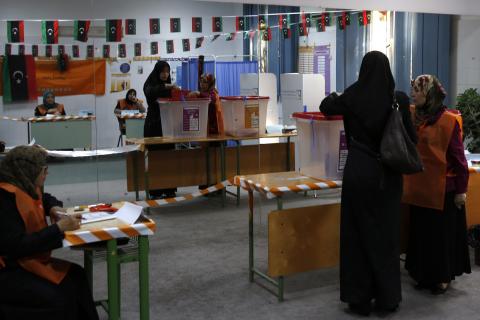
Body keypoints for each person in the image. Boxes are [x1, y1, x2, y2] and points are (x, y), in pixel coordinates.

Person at [319, 51, 417, 316]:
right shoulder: (398, 100)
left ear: (363, 71)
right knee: (386, 237)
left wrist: (336, 95)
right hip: (388, 175)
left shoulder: (352, 97)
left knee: (356, 236)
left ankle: (358, 299)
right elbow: (411, 139)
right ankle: (388, 299)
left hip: (359, 171)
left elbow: (325, 107)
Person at [0, 145, 99, 319]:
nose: (46, 174)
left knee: (77, 275)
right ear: (28, 170)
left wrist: (53, 207)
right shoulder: (4, 198)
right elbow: (16, 246)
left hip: (27, 260)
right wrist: (58, 229)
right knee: (58, 297)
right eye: (43, 170)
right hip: (9, 269)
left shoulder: (25, 185)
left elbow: (45, 198)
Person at [404, 75, 471, 294]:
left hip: (442, 191)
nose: (413, 93)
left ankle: (442, 277)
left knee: (439, 238)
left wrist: (461, 190)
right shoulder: (415, 117)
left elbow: (459, 159)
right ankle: (422, 274)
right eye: (413, 89)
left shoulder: (448, 121)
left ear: (429, 93)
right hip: (419, 189)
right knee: (422, 236)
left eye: (417, 90)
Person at [143, 60, 178, 199]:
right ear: (157, 72)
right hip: (153, 124)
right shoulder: (149, 84)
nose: (165, 74)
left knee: (169, 157)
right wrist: (168, 86)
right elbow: (152, 92)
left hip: (168, 124)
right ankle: (155, 190)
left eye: (167, 71)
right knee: (155, 158)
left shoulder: (171, 87)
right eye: (162, 71)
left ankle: (169, 188)